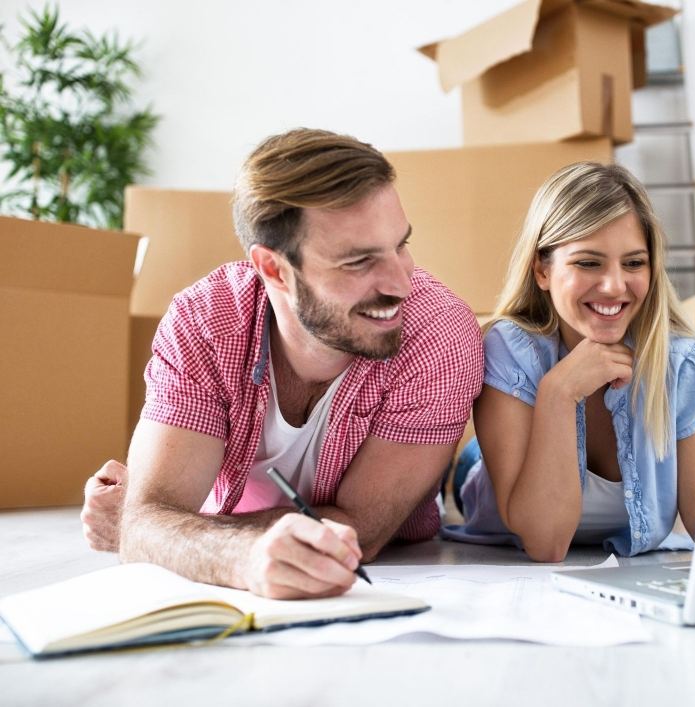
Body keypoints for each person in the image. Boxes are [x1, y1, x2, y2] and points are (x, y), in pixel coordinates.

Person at [80, 128, 484, 598]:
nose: (400, 283)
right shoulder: (204, 321)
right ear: (273, 269)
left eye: (401, 245)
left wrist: (171, 531)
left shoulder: (438, 332)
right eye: (358, 262)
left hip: (402, 572)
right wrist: (231, 553)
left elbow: (359, 533)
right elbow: (148, 521)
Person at [442, 162, 695, 562]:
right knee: (475, 464)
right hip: (484, 472)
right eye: (589, 263)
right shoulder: (509, 348)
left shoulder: (681, 362)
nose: (615, 286)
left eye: (634, 263)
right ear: (542, 269)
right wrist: (559, 392)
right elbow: (546, 543)